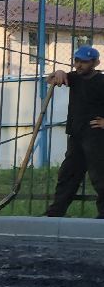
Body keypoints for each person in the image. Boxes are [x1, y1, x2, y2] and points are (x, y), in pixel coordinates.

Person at [44, 45, 104, 218]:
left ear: (95, 63)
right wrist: (59, 72)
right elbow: (51, 80)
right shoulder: (75, 78)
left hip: (96, 136)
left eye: (84, 62)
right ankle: (56, 212)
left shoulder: (101, 81)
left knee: (100, 175)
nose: (78, 65)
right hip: (76, 135)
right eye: (76, 61)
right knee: (68, 173)